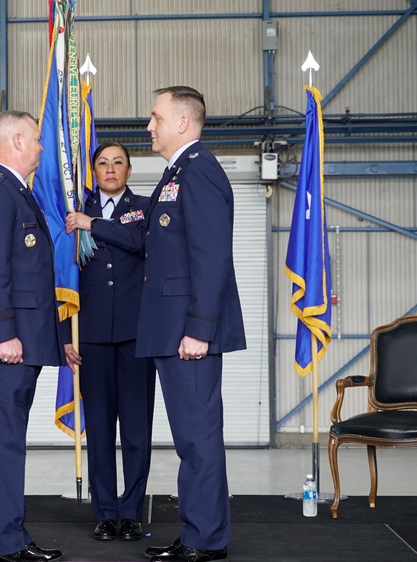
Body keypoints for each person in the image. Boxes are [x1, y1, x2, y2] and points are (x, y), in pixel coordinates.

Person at [0, 110, 81, 562]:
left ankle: (2, 542)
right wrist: (3, 335)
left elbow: (30, 279)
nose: (41, 147)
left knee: (6, 445)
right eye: (35, 139)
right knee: (1, 447)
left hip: (21, 344)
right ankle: (7, 543)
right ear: (15, 140)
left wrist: (54, 339)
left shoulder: (16, 193)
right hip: (3, 350)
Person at [138, 86, 246, 562]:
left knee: (197, 438)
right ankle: (199, 533)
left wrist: (200, 328)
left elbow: (211, 256)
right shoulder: (178, 171)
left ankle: (205, 540)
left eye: (156, 117)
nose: (149, 126)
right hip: (172, 329)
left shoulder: (199, 171)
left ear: (182, 122)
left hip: (189, 333)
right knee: (190, 438)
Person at [64, 142, 155, 543]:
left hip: (137, 337)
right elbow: (62, 275)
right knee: (100, 430)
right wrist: (63, 334)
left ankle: (131, 513)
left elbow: (139, 242)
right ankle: (105, 514)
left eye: (118, 162)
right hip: (93, 338)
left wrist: (93, 224)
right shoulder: (74, 210)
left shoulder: (144, 208)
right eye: (102, 162)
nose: (111, 168)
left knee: (136, 430)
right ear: (93, 170)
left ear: (129, 170)